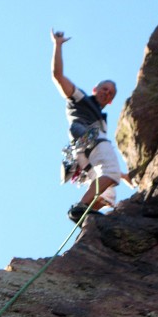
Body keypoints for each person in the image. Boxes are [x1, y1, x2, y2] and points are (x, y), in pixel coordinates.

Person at [51, 29, 131, 223]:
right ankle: (81, 209)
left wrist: (125, 176)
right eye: (104, 89)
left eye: (111, 93)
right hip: (86, 136)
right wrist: (58, 45)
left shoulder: (102, 120)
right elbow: (58, 75)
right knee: (110, 173)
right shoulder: (81, 98)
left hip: (83, 154)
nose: (107, 93)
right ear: (95, 89)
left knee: (108, 193)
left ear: (111, 101)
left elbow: (100, 159)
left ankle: (88, 221)